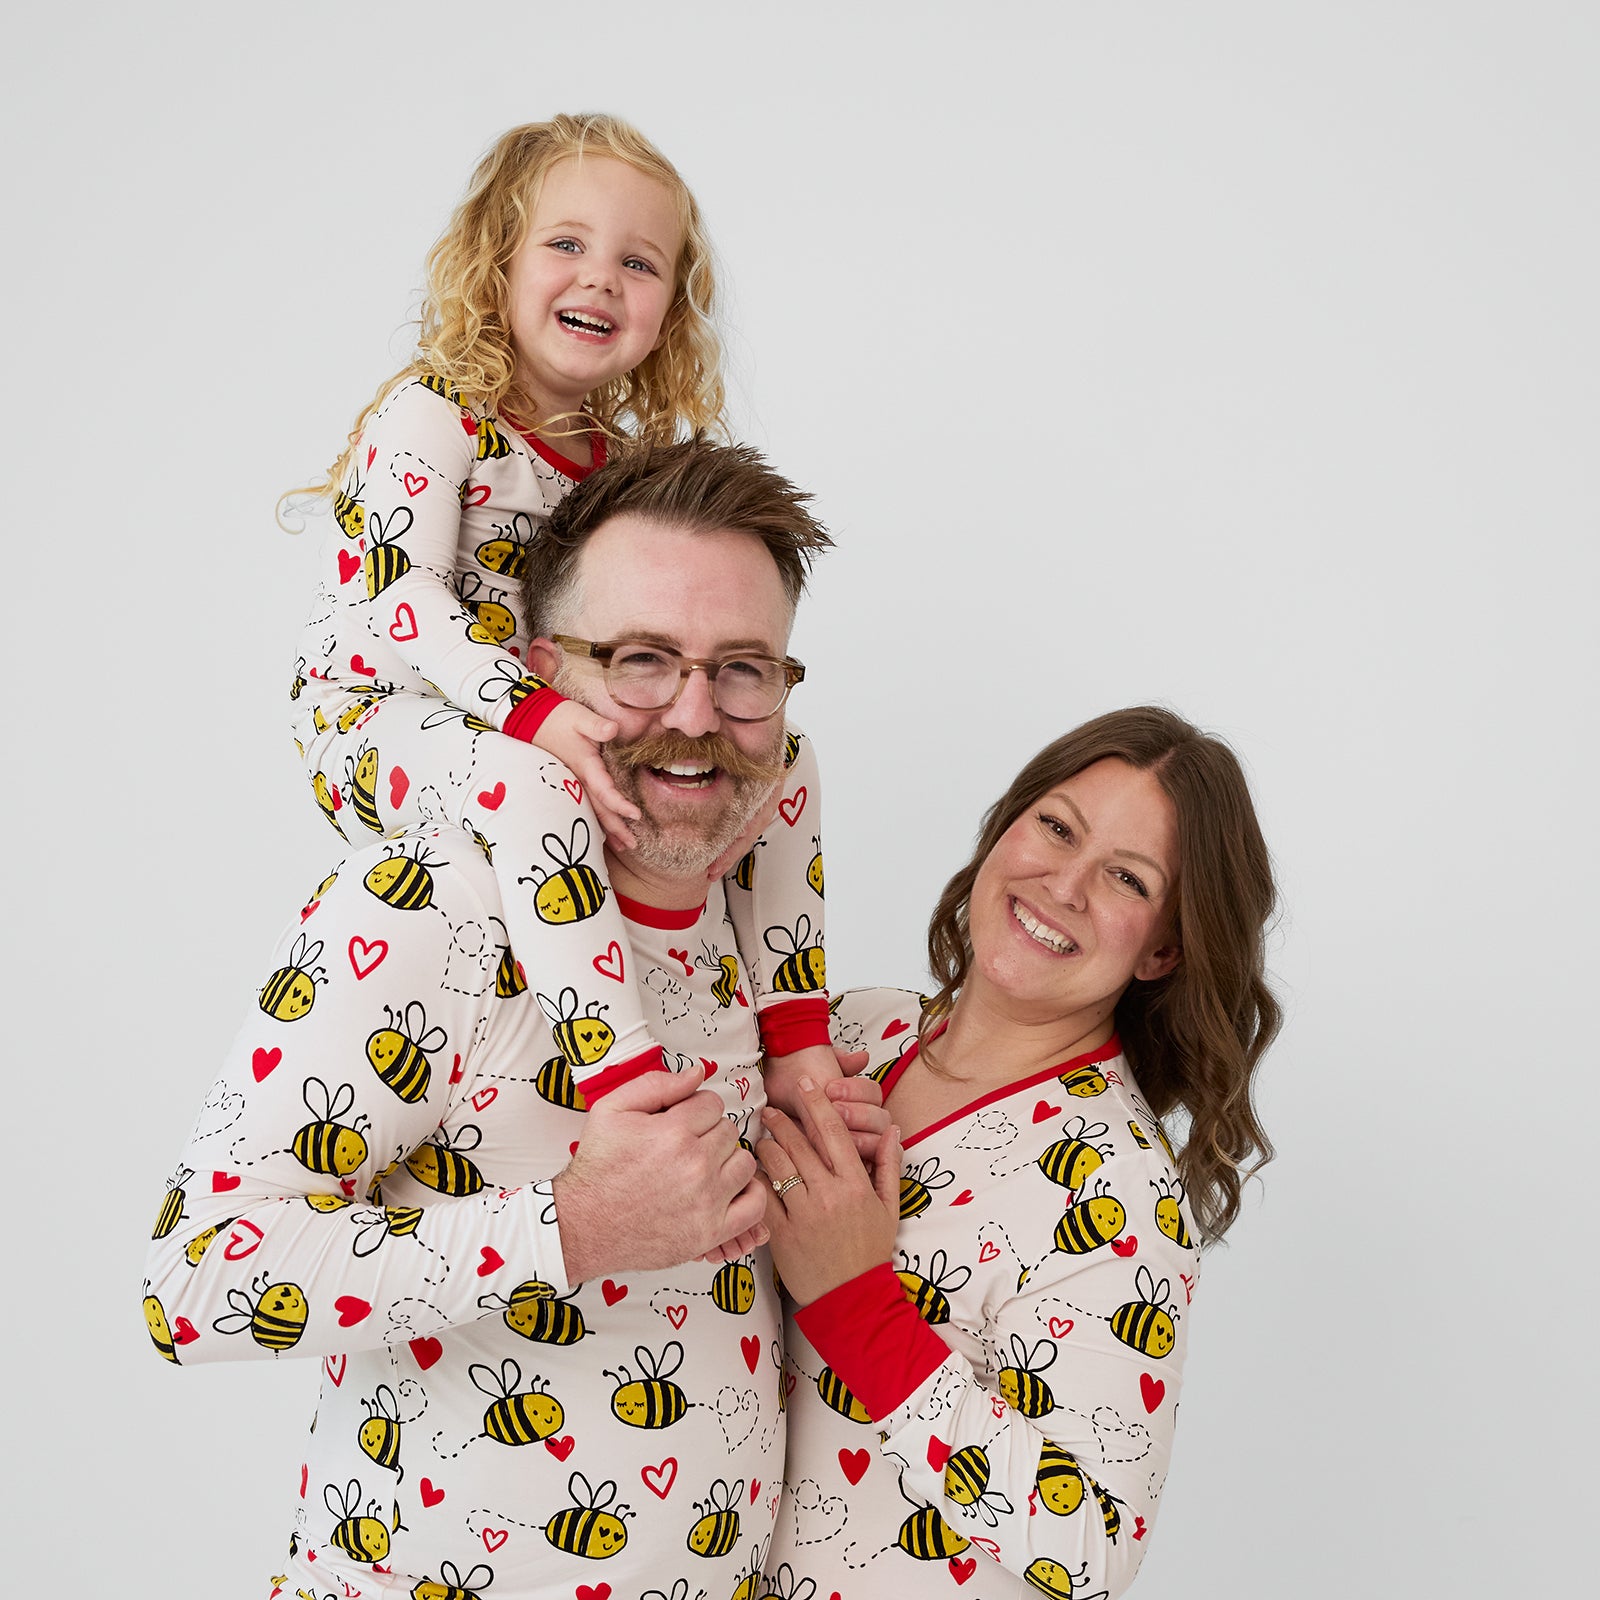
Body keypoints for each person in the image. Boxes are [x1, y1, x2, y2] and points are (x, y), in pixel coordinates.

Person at [144, 441, 881, 1600]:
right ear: (543, 673)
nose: (695, 715)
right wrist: (573, 1228)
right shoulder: (425, 911)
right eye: (641, 659)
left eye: (743, 668)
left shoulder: (758, 934)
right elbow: (192, 1280)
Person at [291, 112, 838, 1118]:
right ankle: (623, 1077)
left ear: (669, 308)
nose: (599, 279)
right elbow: (399, 594)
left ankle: (792, 1030)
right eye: (566, 244)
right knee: (530, 779)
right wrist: (530, 713)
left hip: (530, 723)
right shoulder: (435, 409)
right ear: (496, 262)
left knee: (786, 756)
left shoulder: (620, 465)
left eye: (637, 262)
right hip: (375, 718)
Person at [755, 707, 1280, 1599]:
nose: (1063, 886)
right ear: (1006, 825)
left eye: (1125, 877)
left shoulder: (1119, 1198)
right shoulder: (854, 1034)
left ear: (1163, 949)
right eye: (1056, 827)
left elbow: (1093, 1548)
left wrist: (859, 1309)